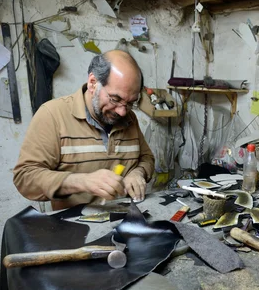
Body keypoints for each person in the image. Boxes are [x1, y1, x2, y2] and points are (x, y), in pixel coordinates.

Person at [13, 50, 155, 210]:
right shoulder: (53, 115)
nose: (122, 111)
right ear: (93, 83)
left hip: (123, 221)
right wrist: (81, 181)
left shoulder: (129, 118)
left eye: (131, 103)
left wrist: (138, 172)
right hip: (74, 229)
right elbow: (25, 177)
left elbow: (146, 157)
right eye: (115, 99)